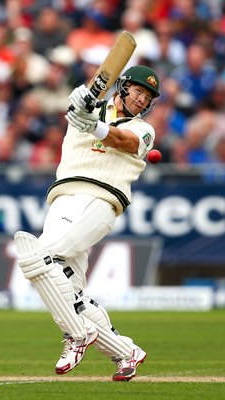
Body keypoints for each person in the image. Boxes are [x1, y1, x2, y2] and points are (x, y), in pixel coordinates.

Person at [14, 64, 160, 382]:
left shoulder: (145, 130)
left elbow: (123, 141)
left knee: (37, 257)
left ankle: (77, 334)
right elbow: (79, 102)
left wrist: (95, 127)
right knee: (72, 290)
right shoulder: (91, 105)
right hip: (64, 196)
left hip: (100, 199)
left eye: (147, 97)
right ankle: (125, 351)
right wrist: (80, 102)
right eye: (137, 91)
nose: (141, 100)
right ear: (122, 87)